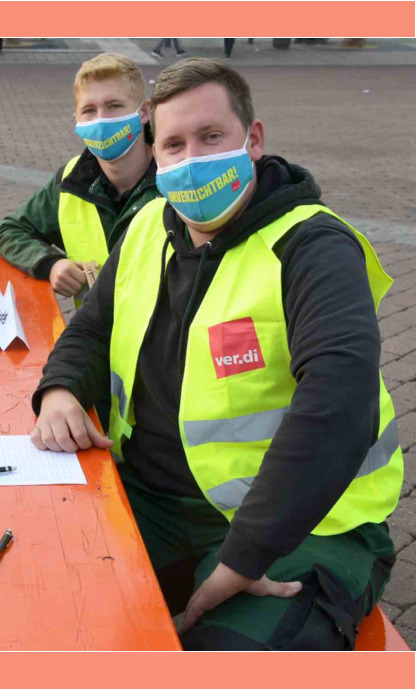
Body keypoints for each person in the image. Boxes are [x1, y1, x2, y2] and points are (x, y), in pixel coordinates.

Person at [30, 58, 402, 650]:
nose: (192, 159)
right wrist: (60, 390)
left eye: (211, 137)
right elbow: (91, 329)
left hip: (307, 522)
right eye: (174, 145)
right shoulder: (151, 223)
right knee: (39, 604)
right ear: (155, 151)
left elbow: (340, 401)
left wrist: (247, 553)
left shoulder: (312, 244)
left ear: (252, 140)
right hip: (154, 499)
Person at [0, 53, 162, 308]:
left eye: (114, 106)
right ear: (76, 120)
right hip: (94, 342)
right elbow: (11, 231)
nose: (101, 119)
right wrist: (51, 265)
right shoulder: (71, 181)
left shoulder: (174, 179)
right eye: (89, 110)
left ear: (144, 112)